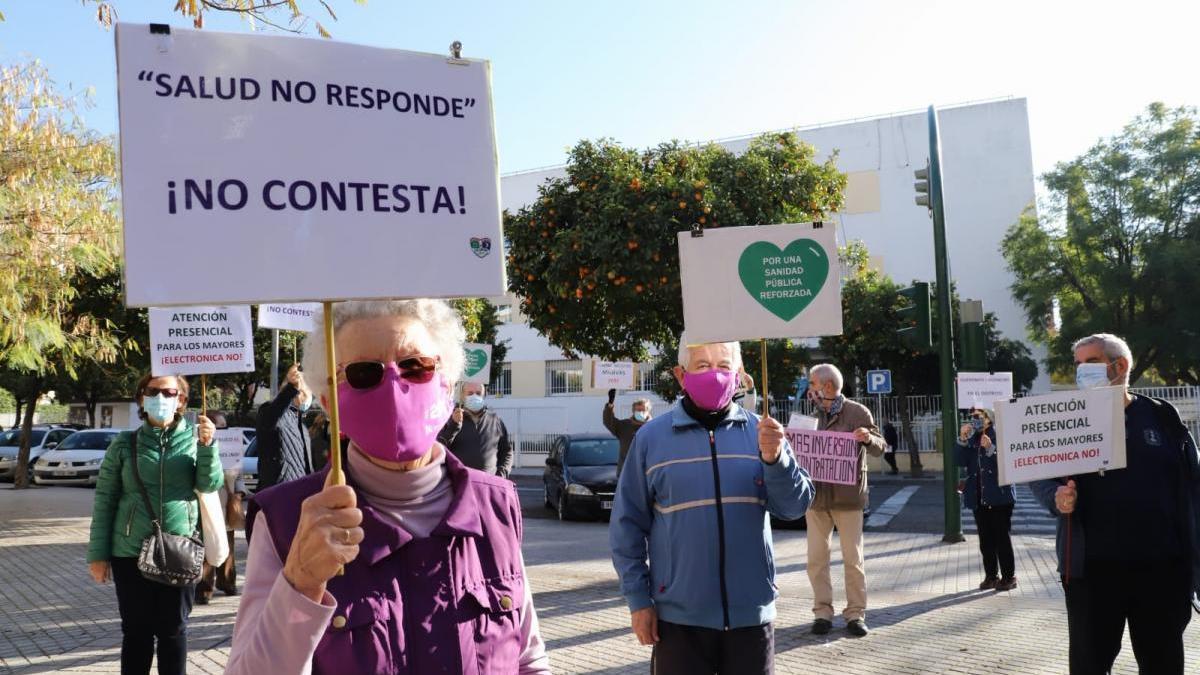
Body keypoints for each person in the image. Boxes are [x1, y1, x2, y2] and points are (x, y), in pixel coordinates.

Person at [227, 300, 549, 674]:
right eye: (366, 373)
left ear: (446, 383)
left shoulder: (495, 504)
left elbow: (529, 659)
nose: (395, 386)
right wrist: (300, 582)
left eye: (415, 367)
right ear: (329, 401)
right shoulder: (286, 518)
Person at [610, 332, 814, 673]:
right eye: (702, 365)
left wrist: (777, 460)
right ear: (680, 374)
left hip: (751, 617)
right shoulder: (651, 439)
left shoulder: (762, 432)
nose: (714, 374)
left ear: (738, 374)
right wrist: (638, 600)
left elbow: (794, 508)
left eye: (723, 365)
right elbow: (627, 525)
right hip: (678, 621)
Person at [1031, 333, 1200, 675]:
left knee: (1163, 664)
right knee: (1089, 665)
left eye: (1088, 364)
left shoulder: (1163, 419)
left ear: (1119, 366)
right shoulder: (1063, 419)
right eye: (1076, 365)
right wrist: (1057, 498)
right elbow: (1039, 474)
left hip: (1162, 573)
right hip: (1092, 574)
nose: (1079, 372)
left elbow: (1193, 490)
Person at [87, 373, 224, 675]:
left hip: (181, 551)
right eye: (152, 391)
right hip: (129, 552)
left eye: (167, 392)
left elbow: (210, 483)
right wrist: (97, 555)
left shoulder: (195, 439)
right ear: (141, 398)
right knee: (136, 633)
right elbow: (105, 499)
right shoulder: (124, 445)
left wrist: (208, 446)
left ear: (181, 401)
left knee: (173, 632)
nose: (159, 398)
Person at [804, 363, 886, 637]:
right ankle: (822, 613)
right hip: (817, 499)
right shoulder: (811, 415)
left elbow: (880, 447)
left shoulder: (857, 412)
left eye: (813, 384)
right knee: (816, 559)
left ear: (827, 387)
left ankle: (855, 614)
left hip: (848, 497)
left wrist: (868, 439)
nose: (810, 390)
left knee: (853, 559)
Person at [956, 408, 1016, 591]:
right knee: (985, 540)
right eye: (972, 417)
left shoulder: (1002, 434)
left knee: (1001, 538)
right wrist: (962, 440)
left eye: (978, 416)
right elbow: (958, 460)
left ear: (989, 418)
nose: (974, 420)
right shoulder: (972, 437)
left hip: (1000, 496)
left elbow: (1011, 461)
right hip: (978, 497)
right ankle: (991, 575)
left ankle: (1008, 577)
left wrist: (991, 449)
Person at [196, 411, 245, 605]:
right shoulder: (199, 446)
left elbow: (239, 475)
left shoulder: (232, 447)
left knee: (228, 547)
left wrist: (239, 493)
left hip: (228, 505)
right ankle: (204, 588)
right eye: (218, 426)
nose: (221, 431)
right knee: (208, 546)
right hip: (208, 504)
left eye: (224, 427)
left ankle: (227, 583)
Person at [254, 364, 314, 490]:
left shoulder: (301, 424)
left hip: (302, 489)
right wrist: (291, 388)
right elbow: (271, 418)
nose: (309, 397)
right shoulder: (269, 410)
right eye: (306, 391)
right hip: (279, 489)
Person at [437, 382, 514, 478]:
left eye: (478, 393)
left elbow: (507, 452)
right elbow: (439, 448)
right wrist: (453, 425)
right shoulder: (450, 418)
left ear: (483, 395)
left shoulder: (495, 420)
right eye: (470, 393)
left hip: (488, 485)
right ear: (462, 396)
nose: (474, 396)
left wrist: (501, 474)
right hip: (459, 484)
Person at [602, 388, 651, 478]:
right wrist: (610, 404)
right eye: (638, 411)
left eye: (643, 410)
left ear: (648, 411)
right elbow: (608, 421)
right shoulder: (624, 426)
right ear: (633, 411)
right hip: (626, 474)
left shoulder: (654, 427)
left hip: (648, 474)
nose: (640, 413)